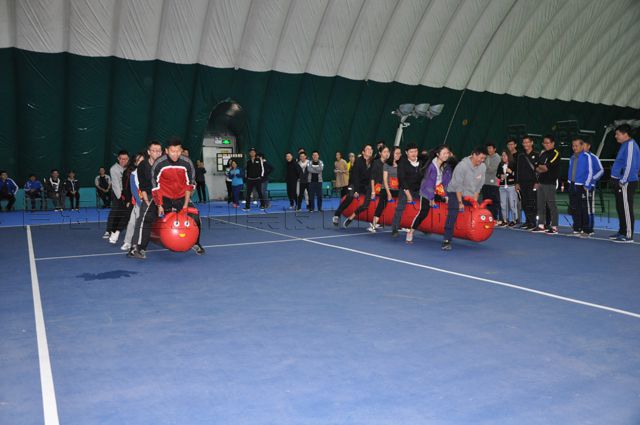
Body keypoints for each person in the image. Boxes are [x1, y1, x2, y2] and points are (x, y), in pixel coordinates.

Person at [130, 139, 204, 259]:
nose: (175, 154)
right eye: (172, 151)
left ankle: (196, 243)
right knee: (146, 218)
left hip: (181, 197)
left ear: (181, 150)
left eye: (178, 151)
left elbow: (189, 185)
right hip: (164, 197)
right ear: (167, 151)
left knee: (196, 217)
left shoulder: (187, 163)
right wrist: (159, 205)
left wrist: (185, 205)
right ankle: (141, 248)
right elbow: (155, 187)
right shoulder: (159, 163)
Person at [442, 146, 487, 251]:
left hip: (470, 194)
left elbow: (479, 186)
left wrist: (474, 201)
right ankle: (446, 240)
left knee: (477, 212)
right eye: (481, 158)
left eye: (484, 158)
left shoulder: (483, 167)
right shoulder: (462, 166)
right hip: (455, 192)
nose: (482, 160)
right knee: (453, 213)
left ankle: (473, 233)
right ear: (474, 155)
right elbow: (458, 186)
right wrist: (460, 202)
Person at [406, 145, 453, 243]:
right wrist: (431, 199)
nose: (446, 155)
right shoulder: (431, 167)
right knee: (424, 211)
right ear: (438, 154)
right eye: (444, 153)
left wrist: (446, 195)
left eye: (447, 153)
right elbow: (429, 185)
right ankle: (411, 231)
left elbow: (446, 183)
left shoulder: (446, 166)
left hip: (438, 190)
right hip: (427, 191)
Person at [609, 124, 639, 243]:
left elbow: (630, 165)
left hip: (627, 182)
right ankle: (622, 231)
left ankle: (628, 235)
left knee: (626, 208)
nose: (615, 136)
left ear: (625, 134)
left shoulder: (631, 145)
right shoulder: (624, 145)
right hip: (620, 181)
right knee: (620, 207)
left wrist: (623, 180)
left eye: (617, 134)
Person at [333, 144, 374, 227]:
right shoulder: (358, 161)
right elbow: (355, 177)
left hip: (365, 186)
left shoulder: (373, 162)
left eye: (371, 149)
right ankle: (337, 215)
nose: (370, 150)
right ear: (363, 152)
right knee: (350, 196)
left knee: (372, 199)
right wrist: (356, 190)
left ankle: (372, 219)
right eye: (368, 149)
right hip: (353, 183)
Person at [391, 143, 423, 237]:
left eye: (415, 151)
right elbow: (402, 180)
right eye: (411, 152)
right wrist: (408, 194)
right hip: (405, 189)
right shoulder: (402, 164)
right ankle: (395, 228)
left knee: (424, 206)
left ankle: (423, 227)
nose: (414, 153)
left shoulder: (421, 163)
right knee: (400, 208)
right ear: (406, 153)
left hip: (418, 190)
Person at [532, 135, 560, 234]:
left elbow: (546, 168)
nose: (546, 145)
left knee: (551, 205)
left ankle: (554, 227)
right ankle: (541, 225)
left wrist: (540, 167)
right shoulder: (543, 153)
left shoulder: (555, 153)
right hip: (541, 182)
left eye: (548, 143)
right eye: (544, 143)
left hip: (550, 183)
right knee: (540, 205)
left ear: (553, 143)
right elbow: (537, 168)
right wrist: (540, 167)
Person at [121, 152, 146, 251]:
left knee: (143, 224)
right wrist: (140, 203)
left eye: (142, 160)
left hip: (150, 202)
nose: (141, 162)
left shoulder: (150, 172)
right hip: (139, 203)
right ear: (135, 163)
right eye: (138, 161)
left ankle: (138, 243)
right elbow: (134, 190)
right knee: (132, 223)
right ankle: (128, 242)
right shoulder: (133, 174)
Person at [104, 151, 130, 241]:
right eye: (121, 159)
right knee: (115, 211)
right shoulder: (113, 169)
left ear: (128, 159)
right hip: (117, 193)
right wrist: (121, 197)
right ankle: (108, 231)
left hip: (128, 193)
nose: (123, 161)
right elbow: (115, 185)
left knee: (127, 212)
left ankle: (124, 229)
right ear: (118, 159)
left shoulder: (130, 168)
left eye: (125, 159)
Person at [567, 138, 590, 235]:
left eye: (576, 145)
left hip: (582, 186)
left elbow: (590, 172)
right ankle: (577, 228)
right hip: (572, 185)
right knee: (574, 207)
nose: (574, 147)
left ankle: (586, 229)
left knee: (583, 208)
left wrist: (586, 184)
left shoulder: (586, 156)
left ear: (582, 146)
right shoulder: (572, 157)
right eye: (573, 146)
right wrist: (569, 182)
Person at [369, 146, 395, 232]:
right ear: (380, 153)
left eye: (388, 151)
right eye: (384, 151)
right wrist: (373, 191)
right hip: (378, 187)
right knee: (381, 204)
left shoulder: (390, 163)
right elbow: (372, 178)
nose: (387, 153)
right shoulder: (376, 163)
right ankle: (373, 224)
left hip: (389, 187)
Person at [515, 136, 539, 230]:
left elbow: (539, 171)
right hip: (522, 183)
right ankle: (528, 221)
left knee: (532, 202)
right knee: (524, 202)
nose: (526, 144)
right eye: (524, 142)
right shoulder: (521, 156)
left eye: (527, 142)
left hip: (533, 183)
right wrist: (517, 183)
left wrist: (537, 182)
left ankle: (533, 222)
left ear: (531, 143)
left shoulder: (537, 155)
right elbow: (518, 170)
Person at [583, 140, 604, 237]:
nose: (582, 147)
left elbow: (601, 170)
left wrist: (592, 179)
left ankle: (590, 228)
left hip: (590, 187)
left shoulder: (594, 157)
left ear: (589, 146)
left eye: (584, 145)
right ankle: (583, 227)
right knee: (582, 207)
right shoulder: (579, 157)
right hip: (580, 187)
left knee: (589, 208)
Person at [480, 143, 501, 220]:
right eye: (487, 148)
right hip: (485, 183)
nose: (488, 150)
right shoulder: (486, 157)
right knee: (486, 201)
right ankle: (487, 217)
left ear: (494, 149)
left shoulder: (498, 158)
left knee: (494, 202)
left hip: (494, 184)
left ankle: (494, 218)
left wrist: (484, 165)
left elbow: (492, 170)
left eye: (490, 148)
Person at [497, 150, 517, 226]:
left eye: (505, 155)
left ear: (509, 156)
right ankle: (505, 220)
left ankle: (514, 220)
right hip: (502, 187)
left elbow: (517, 174)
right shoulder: (500, 164)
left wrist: (511, 172)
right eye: (502, 156)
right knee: (503, 204)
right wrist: (500, 176)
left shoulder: (513, 164)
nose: (503, 157)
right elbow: (497, 174)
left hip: (511, 186)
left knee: (512, 204)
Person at [506, 138, 521, 223]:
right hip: (506, 182)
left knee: (516, 202)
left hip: (515, 182)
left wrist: (517, 182)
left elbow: (519, 170)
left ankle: (517, 219)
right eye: (508, 145)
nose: (510, 146)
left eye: (512, 144)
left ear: (515, 145)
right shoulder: (505, 155)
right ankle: (506, 219)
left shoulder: (519, 155)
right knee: (506, 201)